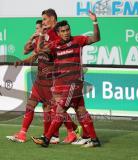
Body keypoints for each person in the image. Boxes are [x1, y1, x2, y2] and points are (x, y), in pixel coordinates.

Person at [32, 11, 101, 148]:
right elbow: (40, 50)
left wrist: (95, 22)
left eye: (68, 30)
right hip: (63, 84)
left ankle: (46, 139)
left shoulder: (78, 40)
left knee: (60, 110)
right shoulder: (55, 45)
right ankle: (94, 140)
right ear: (58, 33)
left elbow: (96, 38)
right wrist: (41, 34)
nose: (66, 32)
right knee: (81, 111)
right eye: (63, 31)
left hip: (73, 83)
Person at [6, 19, 79, 144]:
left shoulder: (53, 43)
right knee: (31, 106)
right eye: (38, 28)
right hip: (39, 82)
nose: (37, 30)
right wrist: (21, 62)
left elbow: (52, 57)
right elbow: (29, 53)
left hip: (50, 82)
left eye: (39, 28)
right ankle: (23, 134)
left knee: (54, 110)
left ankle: (71, 131)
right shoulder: (39, 43)